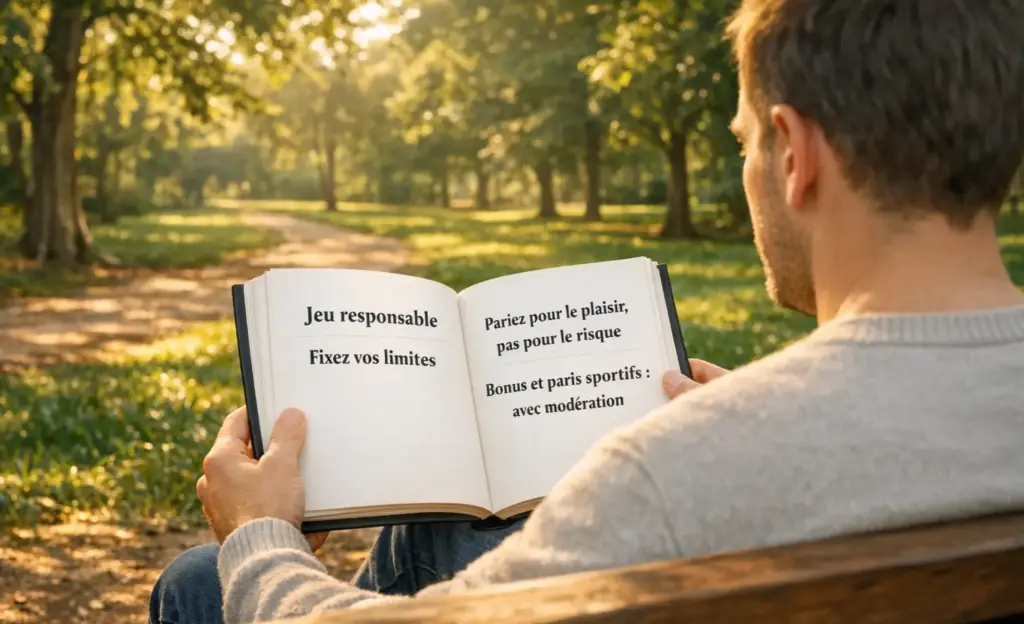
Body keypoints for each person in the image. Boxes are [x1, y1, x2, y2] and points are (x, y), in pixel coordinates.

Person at [150, 1, 1024, 622]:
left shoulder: (676, 471)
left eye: (744, 141)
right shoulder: (715, 454)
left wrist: (262, 533)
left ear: (793, 153)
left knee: (200, 583)